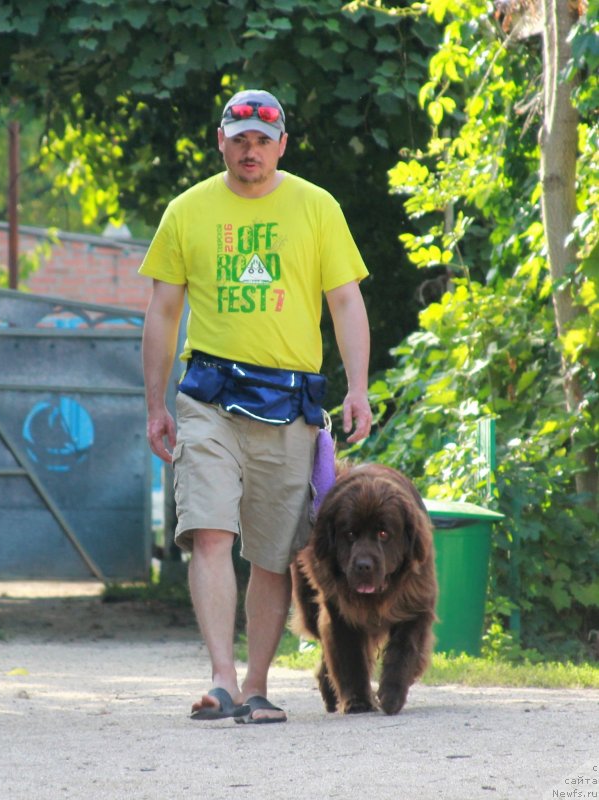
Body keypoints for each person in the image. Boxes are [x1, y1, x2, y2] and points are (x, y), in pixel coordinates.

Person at [139, 89, 372, 724]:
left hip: (288, 402)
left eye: (262, 140)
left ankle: (257, 685)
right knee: (210, 533)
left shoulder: (316, 207)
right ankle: (220, 680)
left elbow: (346, 302)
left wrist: (357, 387)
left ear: (282, 146)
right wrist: (155, 404)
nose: (250, 150)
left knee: (271, 554)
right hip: (208, 396)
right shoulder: (187, 212)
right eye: (239, 137)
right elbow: (163, 312)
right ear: (221, 140)